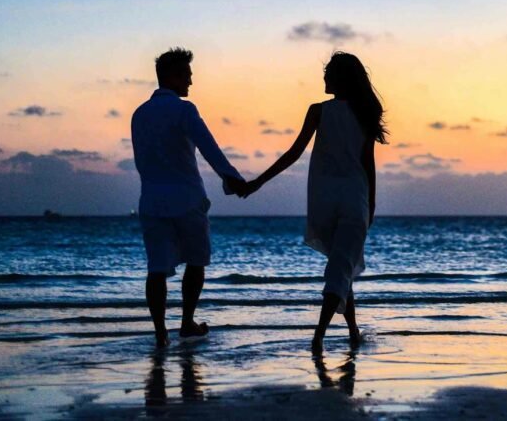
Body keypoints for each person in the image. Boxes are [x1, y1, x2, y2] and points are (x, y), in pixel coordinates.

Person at [244, 51, 387, 353]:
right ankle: (319, 337)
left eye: (328, 73)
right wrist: (371, 205)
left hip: (324, 202)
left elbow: (293, 154)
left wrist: (258, 182)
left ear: (340, 78)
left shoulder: (318, 111)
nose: (324, 77)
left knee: (341, 266)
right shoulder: (364, 112)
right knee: (340, 268)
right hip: (354, 200)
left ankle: (353, 332)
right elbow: (367, 164)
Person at [131, 47, 247, 347]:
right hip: (187, 198)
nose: (191, 83)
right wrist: (232, 179)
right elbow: (208, 147)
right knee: (196, 262)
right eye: (187, 75)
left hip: (152, 200)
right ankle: (186, 323)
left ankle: (160, 333)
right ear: (172, 76)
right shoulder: (184, 110)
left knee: (156, 269)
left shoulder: (139, 114)